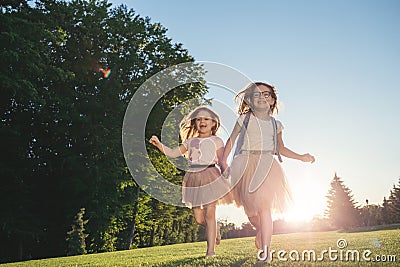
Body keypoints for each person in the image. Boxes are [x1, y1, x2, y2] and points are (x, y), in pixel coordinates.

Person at [221, 82, 315, 262]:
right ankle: (260, 229)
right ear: (249, 100)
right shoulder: (244, 119)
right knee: (250, 211)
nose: (262, 97)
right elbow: (231, 141)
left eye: (267, 94)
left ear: (272, 100)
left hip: (267, 166)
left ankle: (266, 250)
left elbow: (281, 149)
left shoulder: (276, 124)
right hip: (244, 164)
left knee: (264, 206)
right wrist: (223, 161)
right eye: (257, 94)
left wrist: (301, 157)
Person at [149, 106, 232, 257]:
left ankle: (210, 251)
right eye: (199, 119)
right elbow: (173, 153)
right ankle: (216, 228)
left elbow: (221, 160)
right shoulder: (190, 141)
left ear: (213, 123)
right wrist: (159, 145)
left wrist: (227, 172)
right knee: (199, 218)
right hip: (193, 177)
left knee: (210, 213)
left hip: (211, 175)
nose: (202, 121)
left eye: (206, 119)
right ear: (194, 123)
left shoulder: (217, 140)